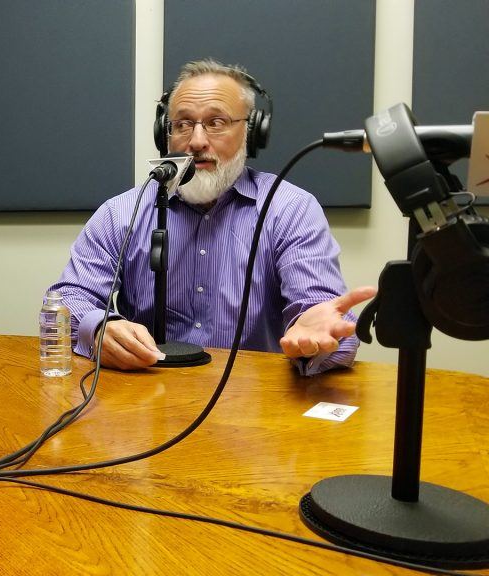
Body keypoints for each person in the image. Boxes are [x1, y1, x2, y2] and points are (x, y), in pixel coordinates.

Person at [50, 59, 375, 374]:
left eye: (216, 123)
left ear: (252, 131)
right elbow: (67, 300)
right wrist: (98, 329)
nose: (196, 141)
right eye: (183, 124)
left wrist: (316, 340)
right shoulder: (122, 212)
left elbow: (325, 321)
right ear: (164, 133)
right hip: (147, 397)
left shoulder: (290, 209)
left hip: (255, 408)